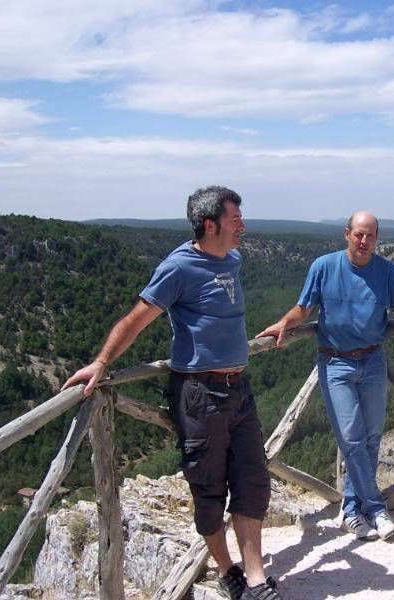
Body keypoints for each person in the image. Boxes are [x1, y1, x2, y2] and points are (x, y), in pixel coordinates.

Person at [62, 186, 282, 600]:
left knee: (253, 481)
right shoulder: (178, 266)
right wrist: (102, 363)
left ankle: (256, 579)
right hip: (200, 393)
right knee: (208, 489)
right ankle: (227, 569)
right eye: (235, 219)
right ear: (210, 223)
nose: (243, 226)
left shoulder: (231, 259)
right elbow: (137, 317)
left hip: (240, 390)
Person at [257, 211, 394, 541]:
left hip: (373, 362)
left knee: (370, 439)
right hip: (335, 364)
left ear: (376, 239)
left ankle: (351, 510)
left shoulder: (386, 271)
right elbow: (303, 308)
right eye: (359, 235)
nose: (364, 241)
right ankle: (375, 508)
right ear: (347, 234)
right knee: (351, 438)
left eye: (370, 236)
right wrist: (283, 323)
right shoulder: (324, 267)